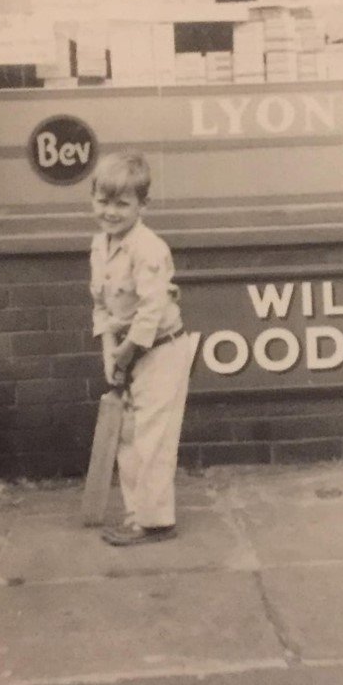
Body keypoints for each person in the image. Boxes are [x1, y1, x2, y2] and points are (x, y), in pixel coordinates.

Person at [89, 151, 191, 546]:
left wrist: (127, 352)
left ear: (142, 205)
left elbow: (152, 311)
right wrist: (110, 354)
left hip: (162, 352)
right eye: (103, 201)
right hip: (130, 353)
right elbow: (102, 306)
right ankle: (138, 513)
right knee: (129, 436)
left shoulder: (148, 248)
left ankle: (156, 521)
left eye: (122, 203)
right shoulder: (100, 246)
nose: (111, 212)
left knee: (153, 438)